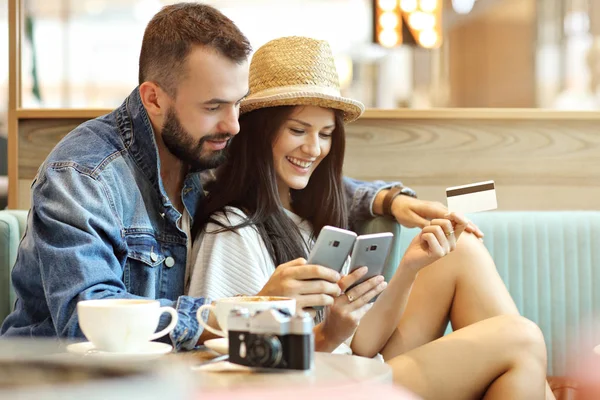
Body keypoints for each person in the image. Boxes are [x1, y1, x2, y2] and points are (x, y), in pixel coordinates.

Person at [0, 3, 466, 351]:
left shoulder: (204, 146)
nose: (234, 125)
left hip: (169, 375)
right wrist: (249, 306)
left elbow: (286, 174)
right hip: (61, 379)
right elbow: (91, 323)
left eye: (238, 104)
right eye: (213, 107)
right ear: (154, 98)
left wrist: (386, 199)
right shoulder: (82, 175)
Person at [188, 36, 555, 400]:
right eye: (297, 130)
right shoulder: (231, 229)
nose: (314, 148)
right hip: (315, 385)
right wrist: (324, 331)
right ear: (258, 134)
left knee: (462, 251)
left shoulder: (311, 218)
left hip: (348, 364)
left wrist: (410, 267)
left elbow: (360, 343)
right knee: (521, 339)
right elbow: (233, 371)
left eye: (326, 134)